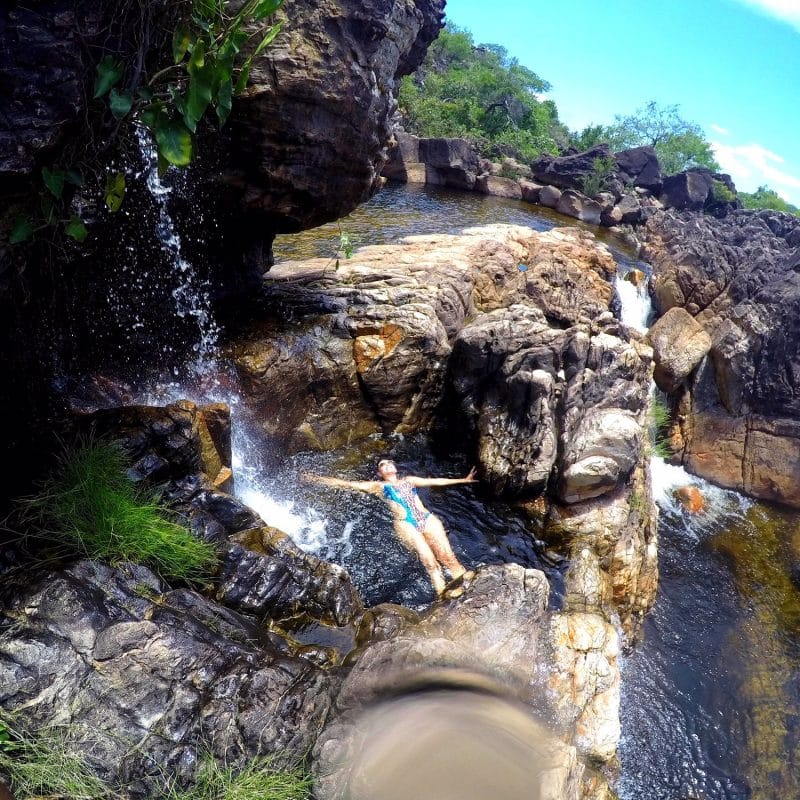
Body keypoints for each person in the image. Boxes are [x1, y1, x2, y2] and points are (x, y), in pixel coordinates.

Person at [304, 458, 477, 597]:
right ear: (380, 473)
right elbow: (348, 484)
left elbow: (434, 481)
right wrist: (317, 479)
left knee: (447, 556)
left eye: (389, 463)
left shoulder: (409, 480)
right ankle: (443, 594)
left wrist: (464, 479)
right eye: (382, 465)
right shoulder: (380, 487)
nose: (386, 466)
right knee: (429, 562)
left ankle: (464, 583)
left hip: (427, 519)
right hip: (406, 524)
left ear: (395, 468)